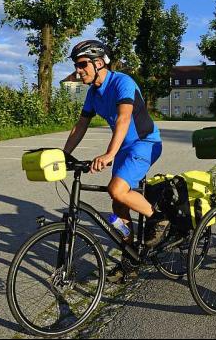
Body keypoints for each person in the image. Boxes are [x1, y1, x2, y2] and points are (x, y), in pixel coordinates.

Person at [64, 39, 168, 281]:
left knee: (117, 189)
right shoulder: (93, 94)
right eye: (76, 65)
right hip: (124, 148)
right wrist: (64, 153)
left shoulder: (122, 82)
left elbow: (123, 119)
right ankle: (130, 258)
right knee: (118, 205)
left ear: (99, 63)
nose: (78, 71)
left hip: (145, 144)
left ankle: (159, 220)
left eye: (82, 65)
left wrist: (109, 154)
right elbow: (80, 125)